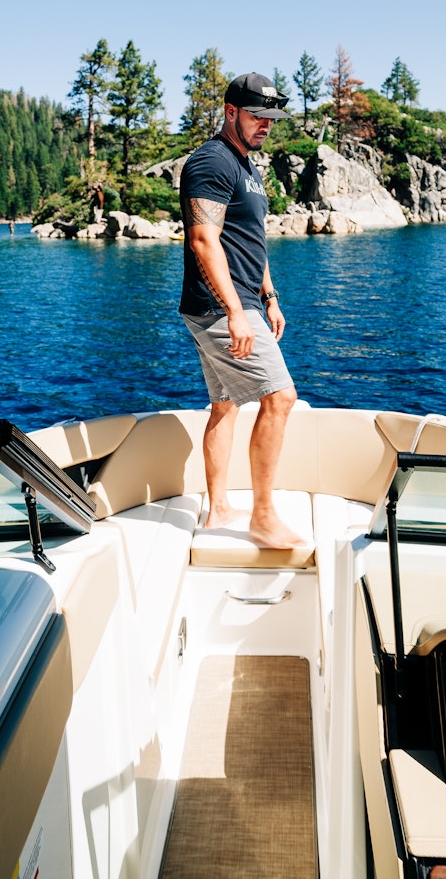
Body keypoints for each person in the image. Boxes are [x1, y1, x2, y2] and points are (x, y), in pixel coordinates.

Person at [179, 72, 303, 549]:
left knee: (225, 405)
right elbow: (203, 241)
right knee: (280, 397)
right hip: (218, 305)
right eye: (258, 115)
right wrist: (234, 310)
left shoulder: (247, 165)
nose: (266, 125)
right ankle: (264, 517)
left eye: (272, 117)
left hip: (240, 300)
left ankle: (218, 510)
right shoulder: (211, 161)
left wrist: (269, 296)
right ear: (230, 111)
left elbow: (252, 241)